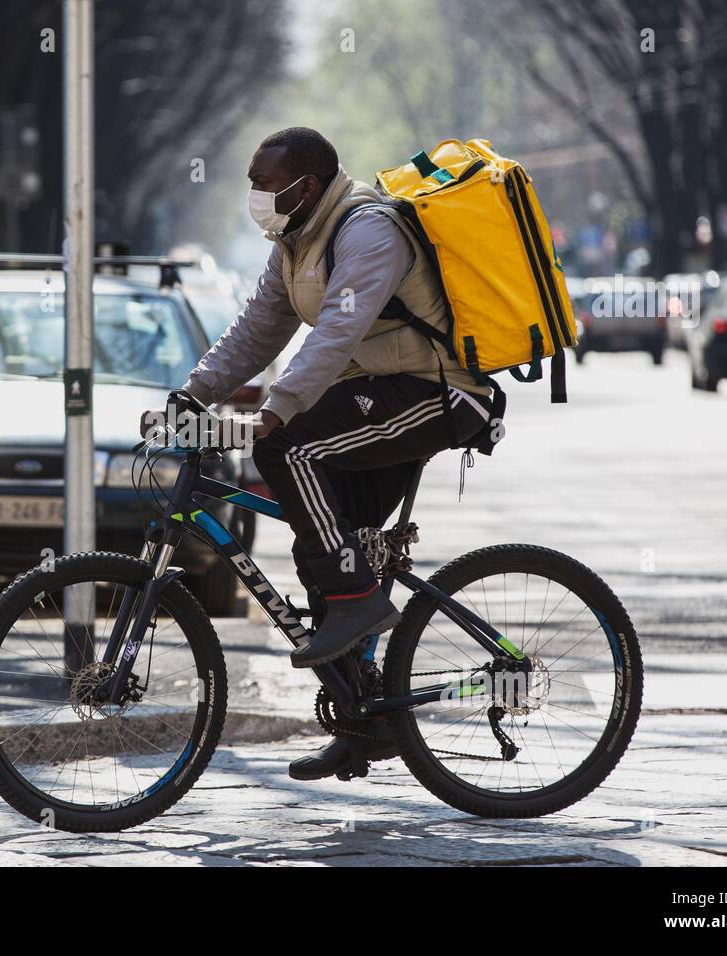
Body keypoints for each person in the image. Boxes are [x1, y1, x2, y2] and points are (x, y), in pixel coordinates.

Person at [143, 127, 493, 780]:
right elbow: (255, 330)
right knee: (320, 547)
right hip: (374, 395)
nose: (254, 194)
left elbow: (337, 330)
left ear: (305, 186)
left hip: (437, 393)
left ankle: (360, 600)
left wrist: (280, 406)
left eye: (263, 182)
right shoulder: (293, 243)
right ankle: (367, 719)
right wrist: (192, 396)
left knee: (291, 449)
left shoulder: (366, 232)